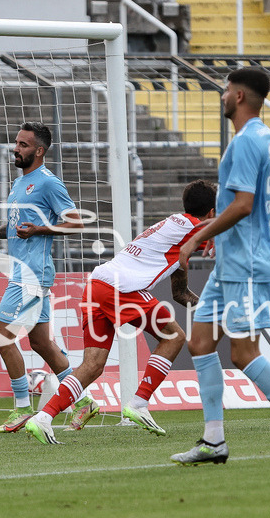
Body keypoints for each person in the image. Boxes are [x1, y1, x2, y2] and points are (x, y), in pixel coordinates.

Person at [174, 67, 270, 466]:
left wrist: (198, 237)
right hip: (232, 262)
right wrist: (225, 229)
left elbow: (243, 205)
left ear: (239, 96)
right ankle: (213, 441)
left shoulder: (244, 143)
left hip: (248, 265)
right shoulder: (267, 140)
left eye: (226, 90)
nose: (223, 96)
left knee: (243, 353)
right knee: (200, 343)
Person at [24, 180, 217, 444]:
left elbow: (180, 294)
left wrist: (211, 311)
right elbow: (229, 227)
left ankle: (43, 418)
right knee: (174, 337)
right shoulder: (191, 226)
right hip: (121, 288)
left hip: (96, 284)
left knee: (92, 365)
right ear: (211, 212)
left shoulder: (176, 232)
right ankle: (138, 403)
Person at [0, 121, 95, 432]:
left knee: (1, 337)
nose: (16, 149)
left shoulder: (49, 183)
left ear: (39, 151)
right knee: (41, 343)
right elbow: (16, 228)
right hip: (25, 272)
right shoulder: (18, 184)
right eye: (16, 143)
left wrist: (40, 229)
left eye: (23, 145)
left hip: (31, 275)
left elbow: (76, 223)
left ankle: (23, 407)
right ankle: (83, 401)